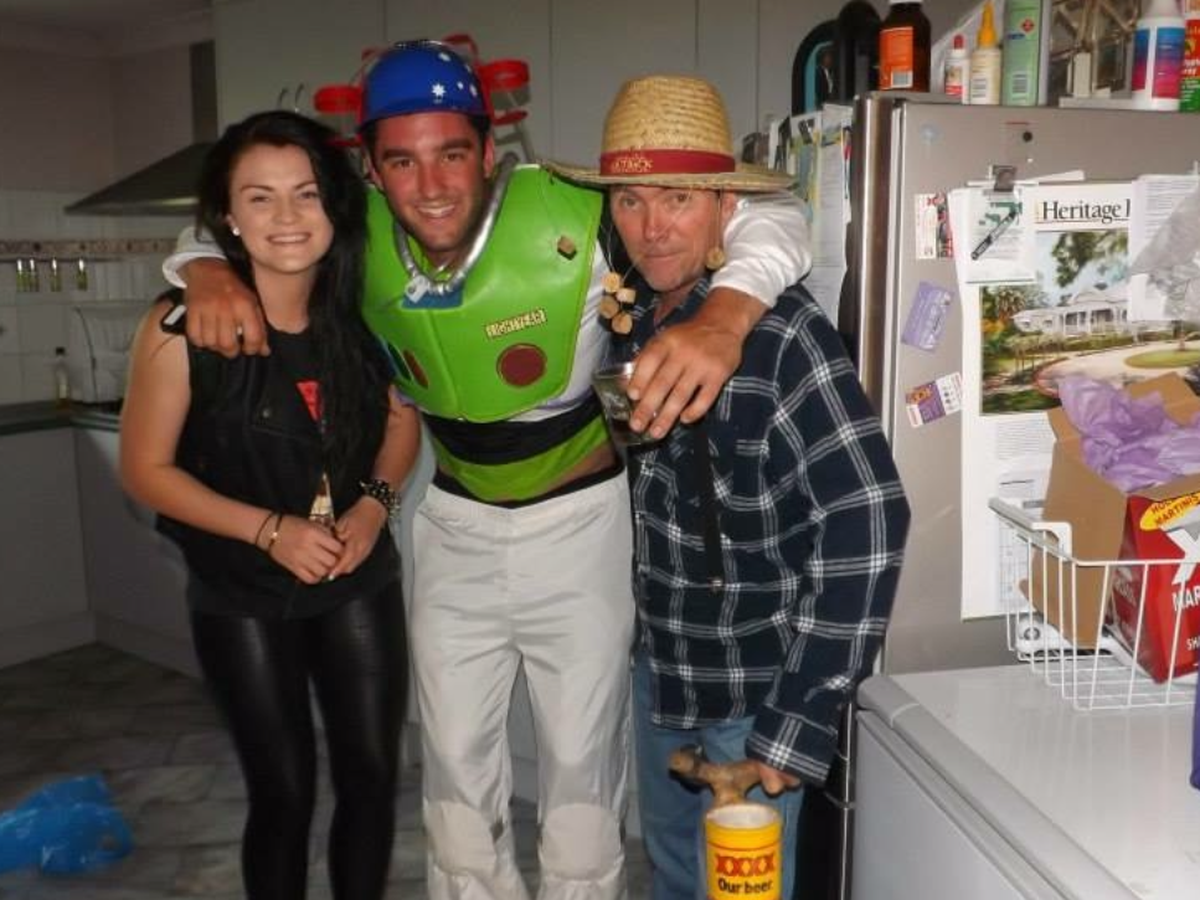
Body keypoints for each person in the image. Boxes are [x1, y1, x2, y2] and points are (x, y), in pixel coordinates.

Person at [163, 40, 812, 900]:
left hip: (581, 528)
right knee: (455, 783)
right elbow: (240, 220)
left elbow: (776, 216)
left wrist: (728, 312)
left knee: (581, 779)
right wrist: (204, 266)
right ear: (370, 169)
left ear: (487, 148)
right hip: (453, 528)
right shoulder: (352, 229)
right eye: (402, 161)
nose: (431, 185)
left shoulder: (579, 213)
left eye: (451, 154)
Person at [546, 74, 911, 900]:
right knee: (676, 877)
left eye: (677, 198)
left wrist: (798, 719)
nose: (652, 227)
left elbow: (869, 516)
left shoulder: (780, 337)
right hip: (665, 672)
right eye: (631, 200)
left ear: (725, 207)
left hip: (755, 687)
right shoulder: (631, 316)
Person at [120, 110, 422, 900]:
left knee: (371, 778)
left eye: (306, 194)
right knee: (283, 792)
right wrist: (269, 531)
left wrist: (372, 509)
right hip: (241, 591)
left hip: (357, 579)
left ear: (334, 207)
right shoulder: (182, 325)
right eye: (260, 197)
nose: (287, 217)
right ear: (227, 215)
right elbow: (146, 470)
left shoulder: (366, 316)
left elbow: (401, 424)